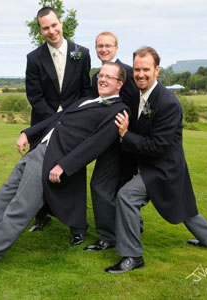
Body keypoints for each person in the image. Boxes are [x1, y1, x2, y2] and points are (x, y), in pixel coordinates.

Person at [0, 63, 129, 274]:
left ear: (119, 83)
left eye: (109, 77)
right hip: (37, 151)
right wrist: (27, 132)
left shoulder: (118, 111)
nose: (102, 79)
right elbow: (57, 119)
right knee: (0, 201)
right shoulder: (87, 100)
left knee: (19, 210)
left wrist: (64, 165)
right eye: (101, 75)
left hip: (53, 160)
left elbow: (94, 145)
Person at [105, 47, 207, 274]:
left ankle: (132, 256)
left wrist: (125, 135)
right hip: (154, 165)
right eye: (137, 69)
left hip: (163, 168)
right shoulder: (139, 96)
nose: (140, 74)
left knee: (126, 197)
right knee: (183, 206)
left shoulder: (168, 103)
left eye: (146, 70)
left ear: (157, 70)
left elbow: (156, 147)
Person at [25, 7, 93, 240]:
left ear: (61, 23)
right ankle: (41, 215)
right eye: (46, 28)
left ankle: (77, 226)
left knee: (73, 171)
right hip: (43, 123)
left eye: (54, 25)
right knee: (39, 172)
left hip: (74, 125)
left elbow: (86, 91)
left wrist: (72, 118)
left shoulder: (81, 53)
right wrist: (54, 121)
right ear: (41, 30)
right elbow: (34, 96)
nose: (51, 31)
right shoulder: (33, 58)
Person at [84, 32, 139, 251]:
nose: (103, 49)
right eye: (99, 46)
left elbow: (135, 108)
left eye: (107, 46)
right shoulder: (95, 76)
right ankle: (131, 226)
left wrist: (130, 137)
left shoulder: (128, 73)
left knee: (101, 186)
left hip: (123, 142)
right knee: (113, 188)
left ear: (116, 48)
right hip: (105, 141)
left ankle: (108, 237)